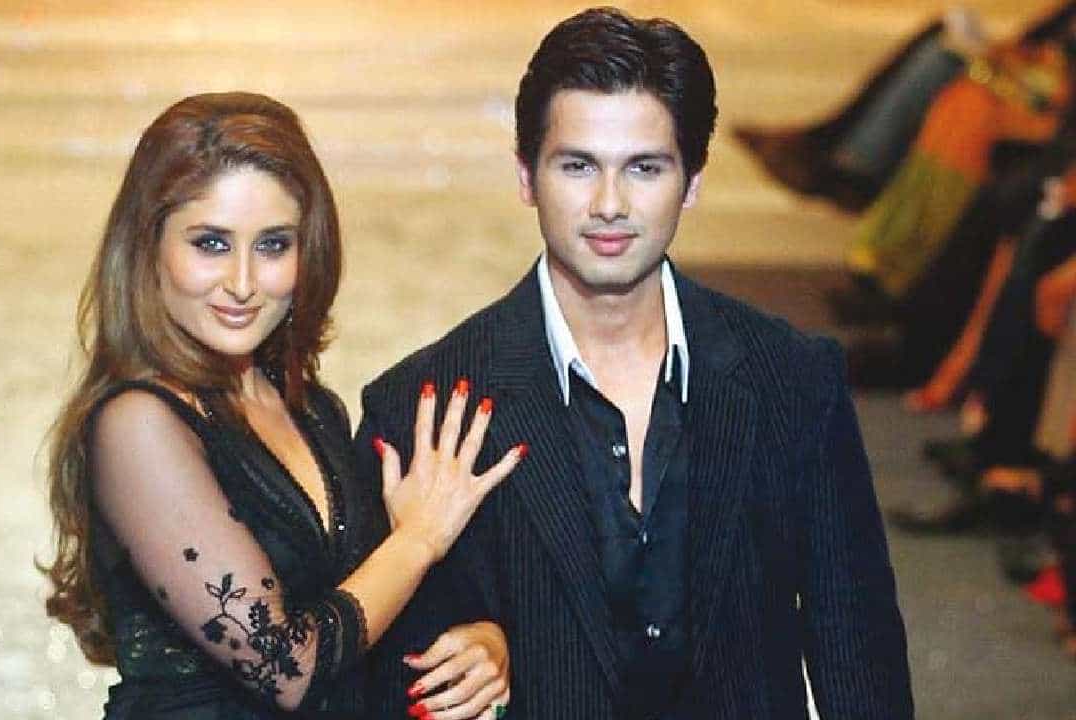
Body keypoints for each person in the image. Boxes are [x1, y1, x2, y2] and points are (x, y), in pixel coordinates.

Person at [356, 9, 913, 719]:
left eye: (644, 168)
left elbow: (856, 650)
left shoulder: (792, 381)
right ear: (526, 175)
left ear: (693, 182)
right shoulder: (424, 407)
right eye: (578, 166)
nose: (609, 205)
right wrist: (488, 648)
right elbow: (387, 681)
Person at [37, 92, 521, 719]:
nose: (242, 283)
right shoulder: (138, 425)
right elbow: (287, 667)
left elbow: (358, 626)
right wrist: (418, 539)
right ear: (148, 247)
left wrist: (484, 642)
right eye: (210, 244)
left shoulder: (310, 408)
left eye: (271, 246)